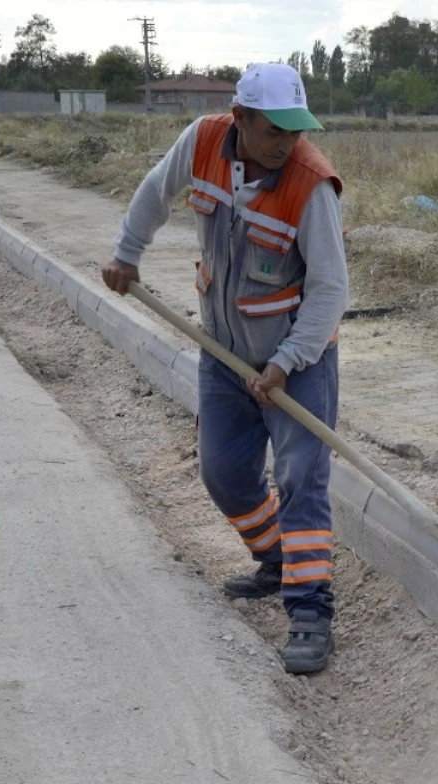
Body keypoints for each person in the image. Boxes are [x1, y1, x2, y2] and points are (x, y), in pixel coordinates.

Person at [102, 63, 348, 674]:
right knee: (225, 474)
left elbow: (329, 291)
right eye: (274, 130)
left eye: (296, 130)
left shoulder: (311, 185)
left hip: (299, 357)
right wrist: (127, 254)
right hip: (222, 349)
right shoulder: (205, 140)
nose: (287, 143)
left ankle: (311, 611)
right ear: (240, 119)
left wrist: (287, 362)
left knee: (300, 481)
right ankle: (276, 561)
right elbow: (157, 189)